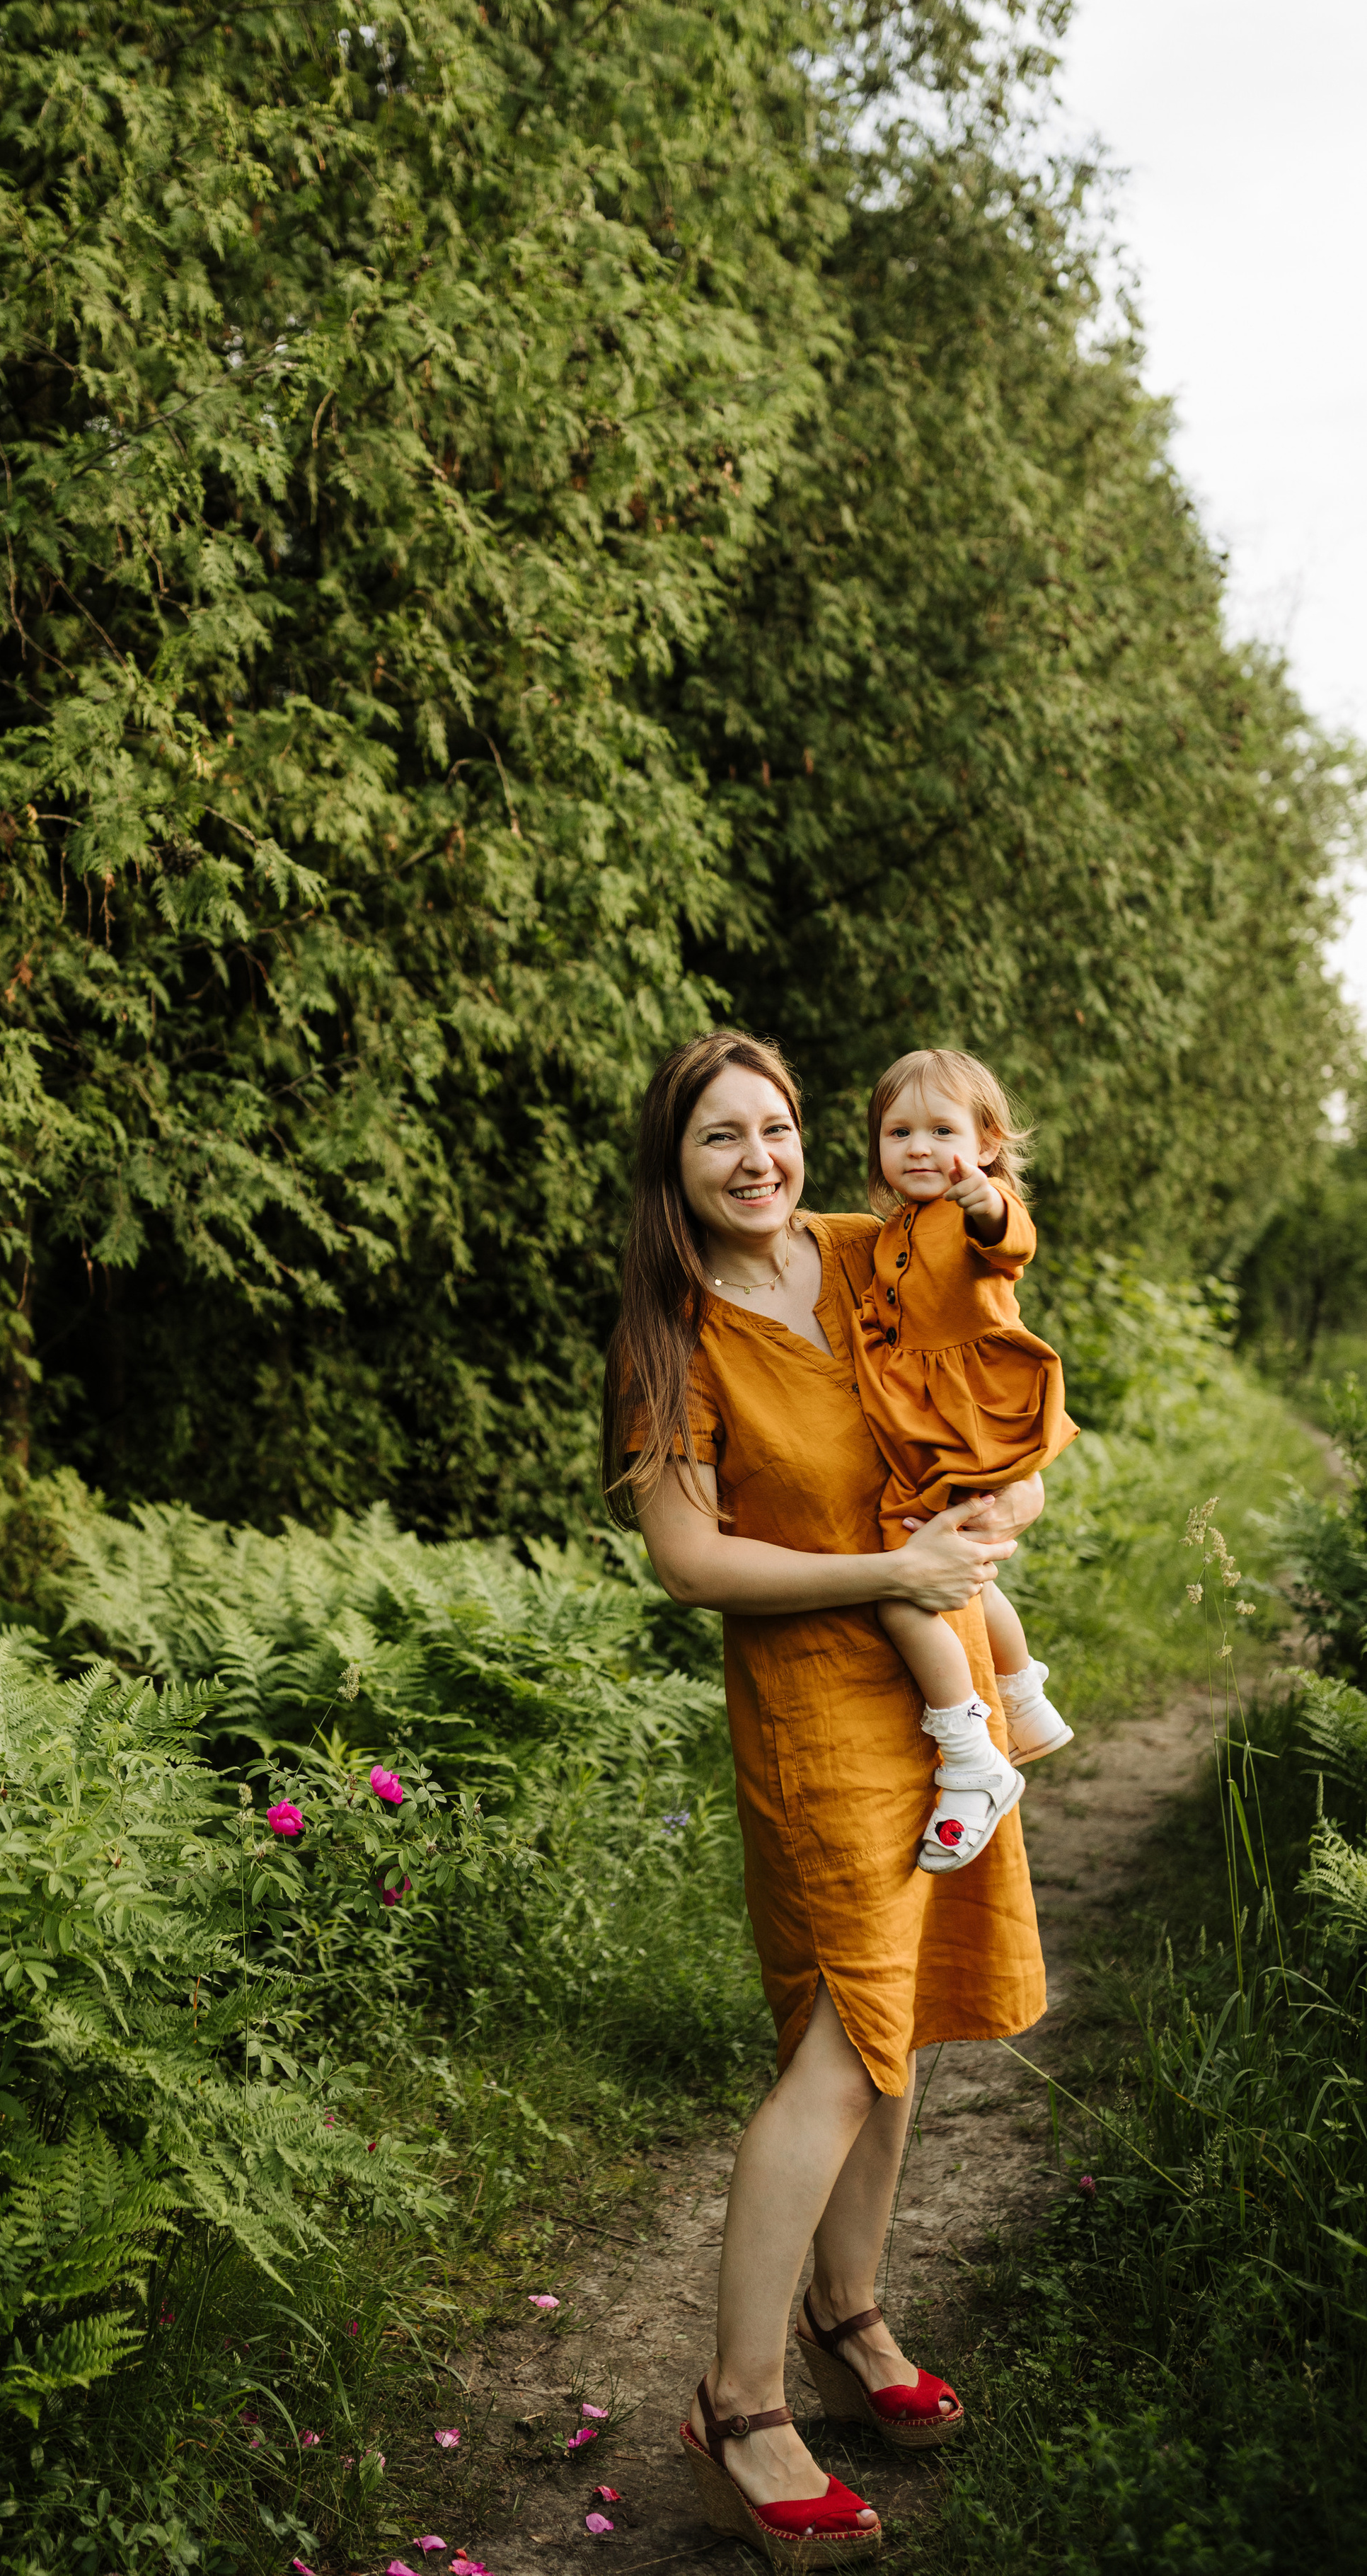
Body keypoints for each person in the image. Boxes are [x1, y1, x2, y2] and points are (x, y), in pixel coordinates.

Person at [603, 1030, 1048, 2569]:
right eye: (718, 1137)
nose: (757, 1160)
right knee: (847, 2042)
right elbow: (688, 1560)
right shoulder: (673, 1336)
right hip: (817, 1710)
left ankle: (847, 2315)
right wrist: (892, 1570)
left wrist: (1007, 1492)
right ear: (673, 1171)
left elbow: (991, 1326)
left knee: (898, 2023)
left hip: (941, 1692)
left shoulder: (867, 1249)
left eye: (775, 1127)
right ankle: (735, 2407)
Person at [853, 1049, 1078, 1876]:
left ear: (984, 1144)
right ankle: (1022, 1696)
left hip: (971, 1421)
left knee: (900, 1586)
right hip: (934, 1428)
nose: (918, 1147)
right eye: (898, 1132)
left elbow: (1010, 1240)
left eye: (941, 1131)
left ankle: (969, 1748)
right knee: (969, 1577)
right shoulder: (890, 1233)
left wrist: (984, 1202)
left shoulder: (973, 1210)